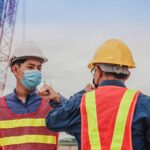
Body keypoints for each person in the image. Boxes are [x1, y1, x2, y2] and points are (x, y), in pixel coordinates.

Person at [42, 39, 150, 150]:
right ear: (128, 75)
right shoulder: (145, 103)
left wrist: (66, 98)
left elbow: (52, 121)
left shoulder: (82, 102)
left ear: (98, 71)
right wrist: (59, 98)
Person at [0, 42, 58, 150]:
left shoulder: (52, 103)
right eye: (31, 67)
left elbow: (79, 125)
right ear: (15, 70)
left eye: (39, 68)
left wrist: (58, 100)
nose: (36, 72)